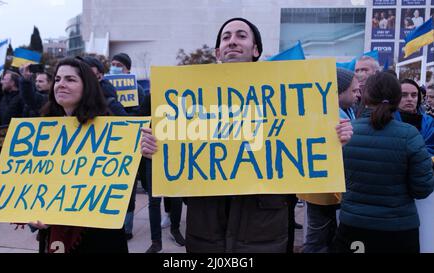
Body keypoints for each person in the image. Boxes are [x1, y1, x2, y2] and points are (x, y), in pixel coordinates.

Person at [140, 17, 354, 253]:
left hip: (263, 230)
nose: (232, 41)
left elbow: (307, 152)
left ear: (256, 50)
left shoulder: (285, 97)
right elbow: (178, 167)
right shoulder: (191, 98)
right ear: (218, 52)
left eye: (241, 36)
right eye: (226, 37)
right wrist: (156, 150)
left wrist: (335, 140)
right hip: (206, 231)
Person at [0, 58, 129, 253]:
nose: (61, 84)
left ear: (87, 86)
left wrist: (147, 150)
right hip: (53, 234)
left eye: (70, 79)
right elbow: (34, 179)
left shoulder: (109, 125)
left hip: (98, 235)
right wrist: (3, 183)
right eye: (58, 79)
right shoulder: (44, 129)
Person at [333, 72, 434, 253]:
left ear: (365, 97)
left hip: (354, 226)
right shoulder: (410, 135)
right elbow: (422, 189)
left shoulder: (345, 133)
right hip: (399, 230)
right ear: (397, 98)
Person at [299, 68, 360, 253]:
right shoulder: (328, 115)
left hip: (331, 190)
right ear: (339, 91)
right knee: (317, 238)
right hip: (321, 192)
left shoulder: (347, 111)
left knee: (328, 233)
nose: (358, 94)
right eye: (354, 90)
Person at [394, 79, 434, 155]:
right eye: (404, 95)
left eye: (414, 95)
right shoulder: (387, 119)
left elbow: (431, 148)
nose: (410, 99)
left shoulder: (429, 122)